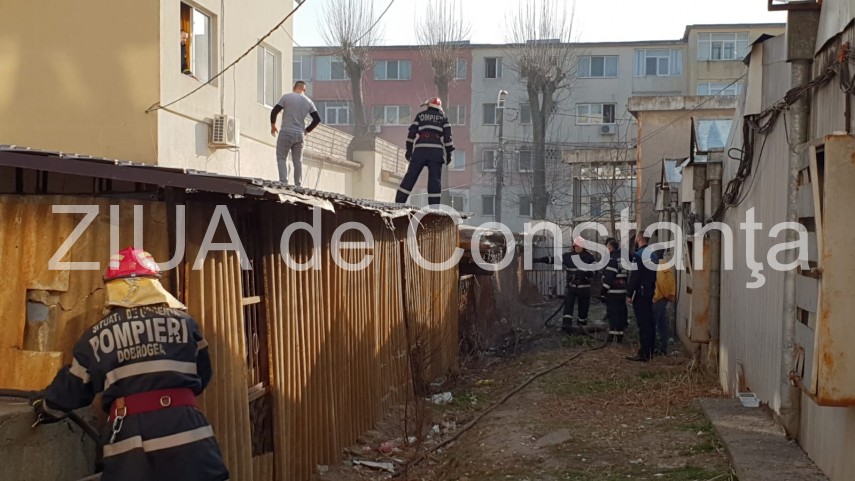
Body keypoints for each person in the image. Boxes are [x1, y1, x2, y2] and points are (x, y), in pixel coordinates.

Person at [31, 247, 230, 481]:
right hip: (187, 427)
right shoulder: (186, 324)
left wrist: (46, 408)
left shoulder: (95, 336)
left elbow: (72, 389)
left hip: (132, 435)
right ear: (154, 284)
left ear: (112, 287)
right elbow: (203, 374)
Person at [395, 97, 454, 206]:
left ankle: (399, 202)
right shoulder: (443, 118)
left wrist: (409, 150)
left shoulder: (420, 116)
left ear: (429, 105)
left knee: (411, 176)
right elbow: (448, 138)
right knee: (435, 180)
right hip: (436, 152)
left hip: (420, 151)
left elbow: (411, 134)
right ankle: (434, 207)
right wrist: (449, 153)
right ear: (439, 107)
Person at [535, 237, 596, 334]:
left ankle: (582, 329)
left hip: (584, 288)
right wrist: (538, 260)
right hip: (571, 287)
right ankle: (566, 327)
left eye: (579, 246)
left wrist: (584, 274)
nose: (577, 247)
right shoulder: (568, 256)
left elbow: (594, 271)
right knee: (568, 307)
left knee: (583, 309)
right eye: (575, 245)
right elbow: (553, 259)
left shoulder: (589, 257)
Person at [270, 81, 322, 187]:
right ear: (304, 90)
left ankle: (283, 182)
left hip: (286, 132)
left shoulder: (286, 97)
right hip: (299, 134)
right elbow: (317, 119)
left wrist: (273, 125)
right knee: (297, 161)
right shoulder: (308, 102)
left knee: (281, 157)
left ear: (294, 87)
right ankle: (298, 184)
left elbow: (275, 111)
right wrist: (306, 130)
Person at [625, 233, 658, 362]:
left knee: (643, 324)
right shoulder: (653, 255)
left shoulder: (638, 256)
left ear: (639, 239)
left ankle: (643, 353)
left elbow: (635, 276)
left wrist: (629, 293)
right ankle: (650, 350)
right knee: (650, 322)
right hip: (650, 292)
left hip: (641, 293)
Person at [601, 238, 629, 344]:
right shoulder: (622, 259)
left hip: (613, 292)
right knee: (621, 314)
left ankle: (612, 336)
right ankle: (619, 335)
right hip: (622, 292)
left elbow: (609, 277)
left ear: (610, 248)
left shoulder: (611, 259)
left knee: (613, 314)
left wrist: (603, 292)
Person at [652, 250, 677, 356]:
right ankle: (663, 347)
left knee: (653, 322)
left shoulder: (660, 265)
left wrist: (665, 295)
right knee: (662, 324)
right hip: (664, 297)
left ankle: (653, 346)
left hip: (659, 298)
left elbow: (661, 282)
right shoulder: (666, 265)